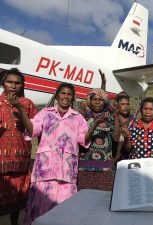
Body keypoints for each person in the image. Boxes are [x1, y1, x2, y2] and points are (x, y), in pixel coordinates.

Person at [13, 82, 97, 225]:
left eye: (69, 94)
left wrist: (94, 125)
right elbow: (32, 131)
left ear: (73, 98)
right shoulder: (46, 113)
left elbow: (83, 140)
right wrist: (21, 110)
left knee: (65, 211)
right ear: (57, 96)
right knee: (39, 209)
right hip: (45, 171)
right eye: (63, 93)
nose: (66, 96)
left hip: (67, 172)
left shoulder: (77, 118)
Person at [0, 68, 37, 225]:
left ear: (22, 85)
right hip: (1, 159)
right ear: (3, 83)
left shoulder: (27, 104)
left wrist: (20, 108)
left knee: (18, 198)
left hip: (21, 158)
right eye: (10, 82)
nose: (13, 86)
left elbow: (34, 131)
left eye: (17, 83)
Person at [77, 88, 115, 191]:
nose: (97, 102)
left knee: (103, 200)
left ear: (105, 102)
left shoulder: (110, 117)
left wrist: (116, 116)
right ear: (89, 101)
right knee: (84, 198)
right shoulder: (81, 117)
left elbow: (116, 137)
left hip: (105, 166)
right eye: (94, 99)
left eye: (100, 99)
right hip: (85, 165)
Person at [110, 94, 134, 161]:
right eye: (123, 104)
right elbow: (116, 138)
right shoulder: (111, 118)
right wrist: (116, 118)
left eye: (127, 104)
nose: (125, 106)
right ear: (117, 105)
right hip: (114, 158)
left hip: (130, 158)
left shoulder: (133, 120)